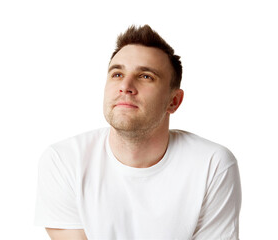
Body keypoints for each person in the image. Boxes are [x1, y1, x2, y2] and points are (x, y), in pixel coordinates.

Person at [34, 25, 242, 240]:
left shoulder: (212, 164)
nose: (125, 85)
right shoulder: (64, 161)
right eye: (117, 74)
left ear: (174, 101)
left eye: (145, 76)